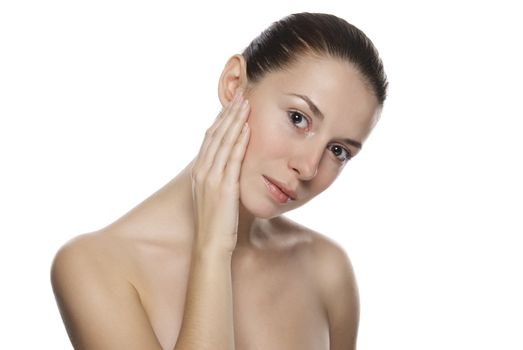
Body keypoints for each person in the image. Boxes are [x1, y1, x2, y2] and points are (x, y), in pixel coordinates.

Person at [50, 12, 388, 350]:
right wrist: (213, 249)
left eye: (338, 151)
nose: (309, 167)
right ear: (233, 84)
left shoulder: (327, 271)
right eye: (298, 118)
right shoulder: (95, 267)